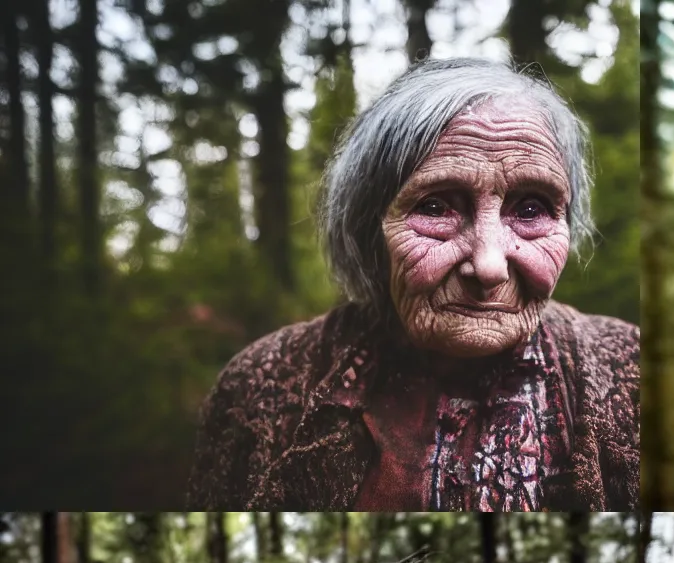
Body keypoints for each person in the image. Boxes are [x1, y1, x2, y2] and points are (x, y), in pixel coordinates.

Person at [188, 58, 638, 511]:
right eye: (437, 207)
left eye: (530, 211)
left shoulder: (633, 368)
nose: (489, 265)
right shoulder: (256, 387)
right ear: (369, 228)